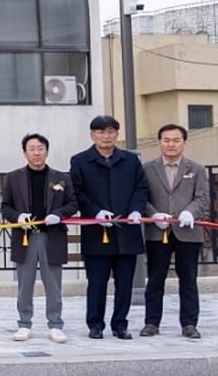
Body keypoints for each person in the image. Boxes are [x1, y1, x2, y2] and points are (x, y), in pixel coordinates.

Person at [70, 115, 148, 340]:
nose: (106, 136)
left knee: (125, 283)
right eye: (101, 132)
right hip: (97, 232)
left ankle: (120, 324)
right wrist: (95, 211)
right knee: (97, 283)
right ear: (92, 135)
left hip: (127, 231)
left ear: (117, 134)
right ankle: (95, 324)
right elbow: (77, 192)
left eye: (111, 132)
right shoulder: (80, 161)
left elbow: (140, 188)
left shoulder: (130, 160)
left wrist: (136, 210)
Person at [0, 134, 78, 343]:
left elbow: (72, 204)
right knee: (24, 283)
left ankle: (55, 324)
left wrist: (58, 215)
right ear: (25, 152)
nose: (36, 152)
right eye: (32, 149)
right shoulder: (13, 177)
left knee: (53, 283)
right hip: (25, 236)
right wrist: (18, 217)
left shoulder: (61, 177)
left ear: (47, 151)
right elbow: (5, 206)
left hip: (51, 236)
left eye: (40, 148)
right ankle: (24, 324)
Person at [141, 124, 211, 339]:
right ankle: (151, 322)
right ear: (160, 142)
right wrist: (153, 215)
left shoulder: (196, 169)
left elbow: (203, 198)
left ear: (184, 143)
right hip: (157, 231)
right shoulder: (147, 169)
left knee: (188, 279)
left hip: (187, 232)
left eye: (176, 140)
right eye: (166, 140)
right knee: (155, 279)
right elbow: (141, 198)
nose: (171, 144)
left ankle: (189, 323)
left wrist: (190, 212)